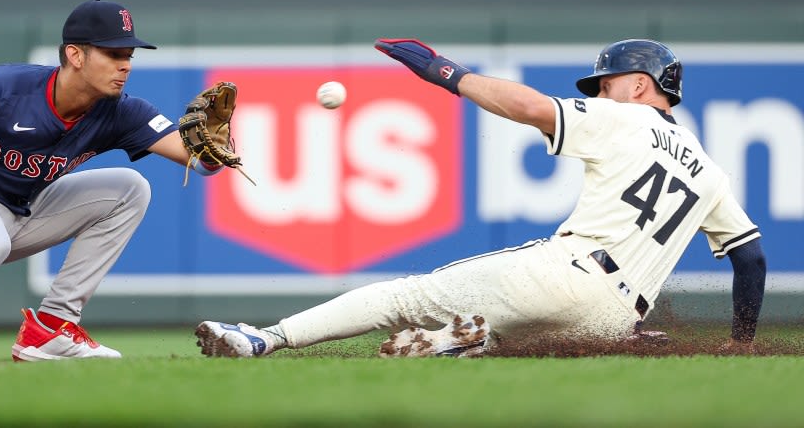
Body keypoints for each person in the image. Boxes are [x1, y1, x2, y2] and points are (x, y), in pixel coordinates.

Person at [195, 38, 767, 358]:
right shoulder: (710, 173)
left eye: (607, 83)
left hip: (569, 273)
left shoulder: (627, 118)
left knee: (403, 295)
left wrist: (449, 73)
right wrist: (741, 343)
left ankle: (261, 339)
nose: (600, 92)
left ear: (640, 85)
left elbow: (531, 107)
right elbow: (751, 259)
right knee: (491, 334)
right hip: (615, 320)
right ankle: (455, 341)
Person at [0, 0, 229, 366]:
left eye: (129, 54)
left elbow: (197, 160)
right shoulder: (4, 87)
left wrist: (219, 147)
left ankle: (52, 329)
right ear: (76, 55)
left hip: (12, 212)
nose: (125, 65)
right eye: (113, 53)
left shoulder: (122, 113)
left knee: (131, 189)